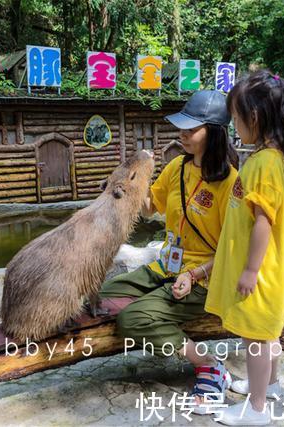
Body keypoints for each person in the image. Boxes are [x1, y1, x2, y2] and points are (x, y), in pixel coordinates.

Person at [98, 90, 239, 412]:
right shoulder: (177, 166)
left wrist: (194, 274)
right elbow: (150, 207)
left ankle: (209, 366)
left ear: (215, 132)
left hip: (205, 279)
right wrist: (127, 184)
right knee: (104, 296)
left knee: (131, 320)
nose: (183, 133)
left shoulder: (232, 183)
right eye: (182, 127)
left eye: (192, 129)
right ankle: (161, 320)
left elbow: (235, 249)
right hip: (167, 266)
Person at [204, 70, 284, 425]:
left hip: (261, 274)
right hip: (276, 271)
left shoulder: (263, 164)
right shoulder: (282, 161)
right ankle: (270, 384)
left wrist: (249, 270)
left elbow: (264, 220)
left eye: (236, 119)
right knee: (268, 333)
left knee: (256, 339)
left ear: (255, 118)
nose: (235, 127)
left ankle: (257, 409)